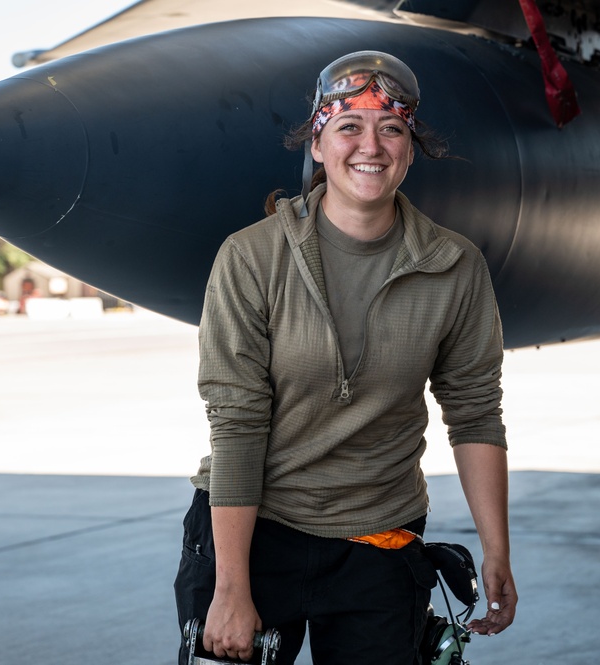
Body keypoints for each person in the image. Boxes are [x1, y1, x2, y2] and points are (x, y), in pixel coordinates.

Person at [174, 50, 517, 665]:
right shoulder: (252, 257)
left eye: (392, 129)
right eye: (349, 127)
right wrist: (230, 586)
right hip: (254, 534)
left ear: (411, 149)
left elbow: (474, 414)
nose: (372, 145)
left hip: (378, 538)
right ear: (317, 143)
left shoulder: (454, 266)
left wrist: (497, 549)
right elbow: (237, 423)